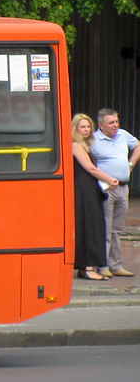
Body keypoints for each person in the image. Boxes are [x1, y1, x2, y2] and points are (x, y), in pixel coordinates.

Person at [90, 108, 139, 277]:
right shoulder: (94, 140)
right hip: (106, 189)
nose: (115, 125)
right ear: (101, 125)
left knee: (116, 229)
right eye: (111, 123)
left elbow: (138, 145)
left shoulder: (123, 135)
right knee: (105, 227)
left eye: (117, 121)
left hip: (123, 188)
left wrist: (130, 164)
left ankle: (116, 265)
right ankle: (102, 265)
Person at [72, 114, 115, 280]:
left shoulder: (86, 145)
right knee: (88, 226)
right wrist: (110, 179)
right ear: (75, 128)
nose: (86, 130)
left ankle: (86, 267)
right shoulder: (76, 145)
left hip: (90, 188)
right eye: (83, 127)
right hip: (83, 190)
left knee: (93, 225)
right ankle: (88, 267)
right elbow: (90, 168)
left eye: (88, 127)